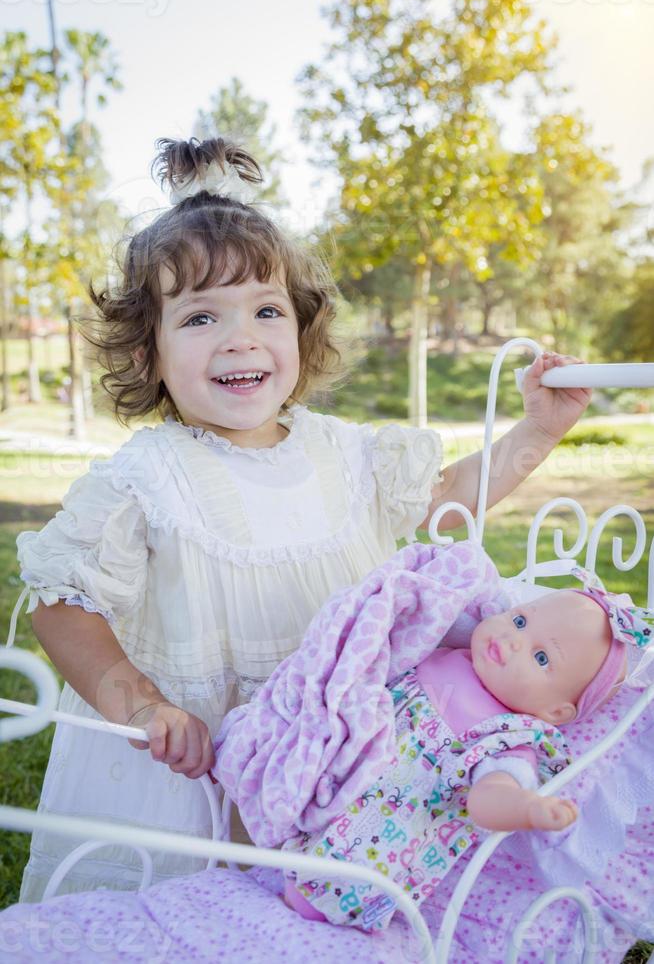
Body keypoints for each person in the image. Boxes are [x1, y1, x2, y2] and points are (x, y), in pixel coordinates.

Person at [11, 136, 591, 901]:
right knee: (191, 913)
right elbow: (63, 606)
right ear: (148, 351)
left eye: (266, 310)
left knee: (315, 911)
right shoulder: (147, 478)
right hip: (197, 761)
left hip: (334, 750)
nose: (239, 336)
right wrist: (141, 702)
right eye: (198, 319)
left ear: (301, 330)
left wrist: (535, 435)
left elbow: (448, 497)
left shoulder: (345, 453)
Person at [279, 576, 649, 931]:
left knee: (321, 891)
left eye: (540, 658)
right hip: (333, 780)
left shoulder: (510, 736)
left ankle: (314, 903)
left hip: (378, 838)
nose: (513, 640)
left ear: (556, 712)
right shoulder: (452, 648)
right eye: (520, 620)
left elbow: (489, 796)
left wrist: (524, 806)